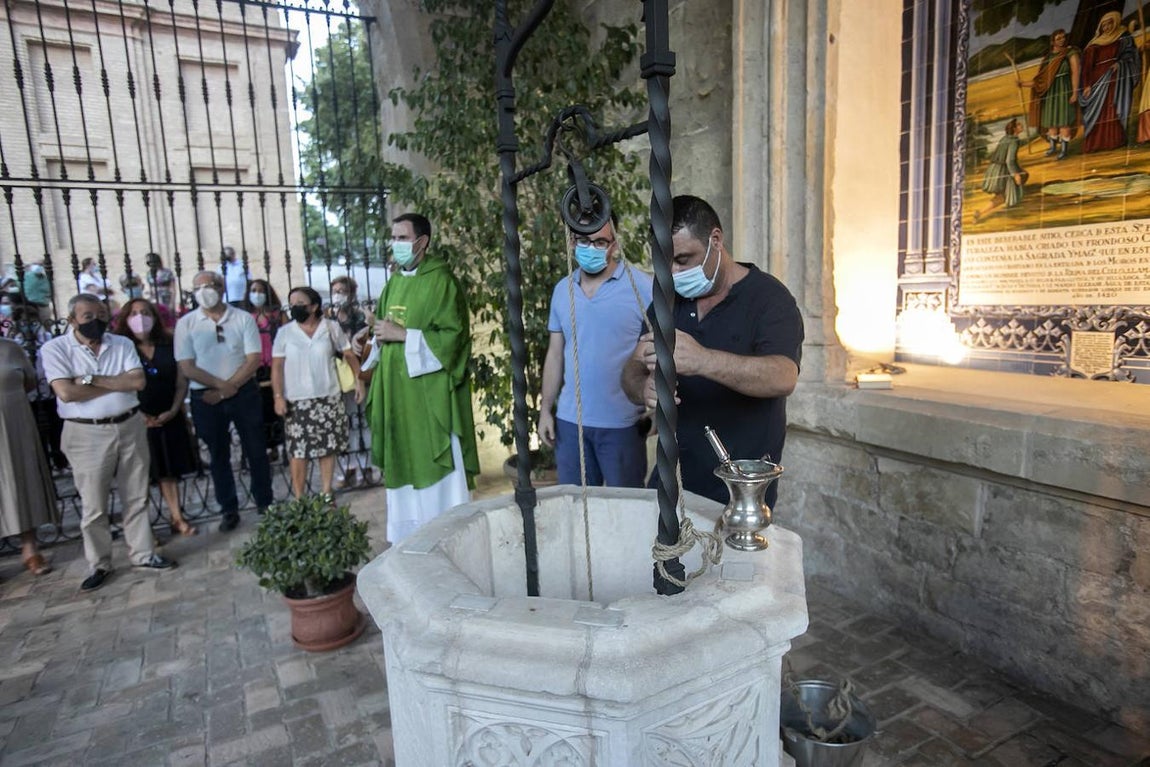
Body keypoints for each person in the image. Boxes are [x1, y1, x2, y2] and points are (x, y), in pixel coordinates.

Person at [621, 195, 803, 509]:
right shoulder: (667, 301)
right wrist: (643, 386)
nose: (674, 273)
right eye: (665, 263)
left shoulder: (769, 299)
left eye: (683, 259)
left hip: (738, 487)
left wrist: (703, 360)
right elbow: (632, 370)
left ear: (715, 240)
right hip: (671, 477)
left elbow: (783, 376)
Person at [40, 294, 177, 592]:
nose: (96, 321)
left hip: (128, 424)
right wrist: (110, 381)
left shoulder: (122, 343)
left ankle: (143, 553)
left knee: (136, 494)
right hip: (85, 432)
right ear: (72, 319)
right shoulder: (55, 348)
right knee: (94, 504)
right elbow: (66, 392)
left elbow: (137, 382)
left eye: (101, 315)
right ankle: (100, 563)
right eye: (88, 316)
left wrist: (87, 379)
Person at [366, 213, 480, 543]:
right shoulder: (395, 282)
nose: (396, 245)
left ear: (422, 241)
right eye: (394, 237)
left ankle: (446, 536)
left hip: (428, 397)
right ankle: (409, 540)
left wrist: (404, 335)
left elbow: (453, 337)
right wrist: (375, 335)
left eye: (402, 238)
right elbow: (387, 330)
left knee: (436, 466)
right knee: (403, 460)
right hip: (396, 392)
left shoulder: (441, 281)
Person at [538, 215, 653, 487]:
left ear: (614, 245)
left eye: (600, 242)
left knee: (625, 513)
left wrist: (657, 410)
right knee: (576, 512)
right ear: (572, 243)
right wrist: (545, 410)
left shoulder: (642, 288)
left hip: (623, 425)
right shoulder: (561, 291)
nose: (591, 248)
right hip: (569, 423)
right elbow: (555, 355)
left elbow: (660, 350)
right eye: (584, 241)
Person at [175, 270, 274, 532]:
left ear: (221, 288)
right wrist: (222, 388)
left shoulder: (242, 318)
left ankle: (265, 501)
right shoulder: (186, 324)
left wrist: (227, 389)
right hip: (205, 396)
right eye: (198, 287)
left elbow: (253, 359)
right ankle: (228, 508)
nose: (204, 291)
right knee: (218, 454)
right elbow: (187, 365)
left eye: (209, 285)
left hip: (244, 393)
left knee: (256, 450)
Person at [112, 298, 199, 537]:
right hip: (137, 416)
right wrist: (140, 415)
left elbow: (181, 380)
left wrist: (174, 408)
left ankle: (177, 517)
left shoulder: (168, 343)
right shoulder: (122, 347)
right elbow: (120, 384)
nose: (140, 318)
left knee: (168, 470)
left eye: (145, 312)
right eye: (134, 313)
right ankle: (144, 529)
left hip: (168, 413)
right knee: (142, 474)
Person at [272, 286, 364, 498]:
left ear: (313, 306)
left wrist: (359, 381)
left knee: (327, 447)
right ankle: (300, 497)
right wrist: (278, 397)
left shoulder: (330, 328)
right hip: (297, 400)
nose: (295, 307)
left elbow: (349, 354)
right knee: (298, 452)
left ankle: (326, 492)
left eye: (300, 304)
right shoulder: (285, 333)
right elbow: (277, 367)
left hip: (328, 396)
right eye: (292, 303)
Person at [0, 336, 60, 577]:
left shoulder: (10, 348)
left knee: (20, 479)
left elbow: (30, 381)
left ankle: (30, 549)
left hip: (15, 422)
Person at [327, 275, 373, 489]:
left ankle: (366, 465)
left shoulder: (359, 319)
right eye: (335, 291)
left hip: (359, 376)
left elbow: (368, 345)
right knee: (342, 426)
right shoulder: (327, 320)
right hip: (335, 379)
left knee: (361, 421)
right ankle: (346, 468)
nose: (338, 295)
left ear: (351, 294)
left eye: (342, 291)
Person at [1080, 11, 1141, 154]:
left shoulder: (1123, 37)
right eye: (1104, 25)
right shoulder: (1094, 44)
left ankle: (1114, 140)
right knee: (1098, 112)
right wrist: (1087, 84)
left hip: (1114, 78)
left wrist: (1120, 64)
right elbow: (1087, 66)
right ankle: (1095, 144)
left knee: (1111, 108)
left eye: (1109, 24)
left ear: (1115, 23)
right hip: (1097, 80)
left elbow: (1130, 55)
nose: (1107, 28)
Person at [1023, 29, 1080, 160]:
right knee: (1051, 122)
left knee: (1064, 121)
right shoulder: (1048, 58)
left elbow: (1076, 72)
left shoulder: (1070, 53)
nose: (1062, 40)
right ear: (1053, 41)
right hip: (1051, 92)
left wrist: (1075, 92)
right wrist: (1023, 84)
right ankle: (1053, 147)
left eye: (1063, 37)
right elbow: (1041, 79)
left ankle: (1064, 150)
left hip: (1064, 89)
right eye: (1059, 38)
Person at [246, 278, 285, 459]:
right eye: (253, 290)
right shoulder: (246, 316)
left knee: (276, 404)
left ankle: (280, 444)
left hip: (276, 363)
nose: (257, 294)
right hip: (255, 366)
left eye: (261, 290)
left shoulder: (277, 315)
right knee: (260, 407)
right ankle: (264, 446)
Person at [974, 119, 1028, 224]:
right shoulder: (1014, 141)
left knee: (1002, 194)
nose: (1021, 126)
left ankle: (980, 212)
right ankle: (980, 212)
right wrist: (1015, 174)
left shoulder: (1005, 138)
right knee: (1003, 195)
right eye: (1019, 125)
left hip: (994, 168)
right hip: (1003, 170)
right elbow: (1010, 160)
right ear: (1014, 129)